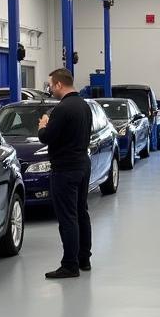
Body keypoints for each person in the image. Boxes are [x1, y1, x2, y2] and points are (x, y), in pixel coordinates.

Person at [37, 68, 93, 279]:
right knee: (81, 211)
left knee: (68, 217)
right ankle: (84, 258)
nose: (50, 89)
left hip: (65, 169)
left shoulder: (62, 109)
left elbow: (47, 137)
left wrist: (43, 126)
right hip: (82, 165)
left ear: (60, 85)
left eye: (51, 85)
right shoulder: (84, 106)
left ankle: (70, 265)